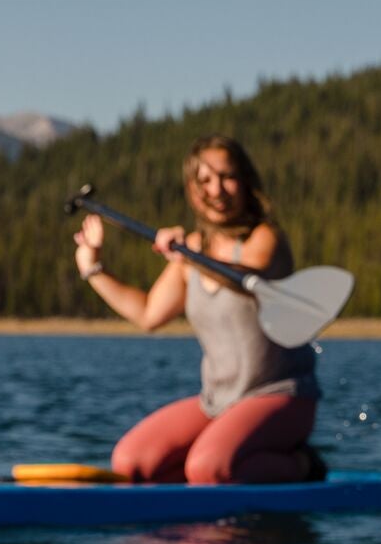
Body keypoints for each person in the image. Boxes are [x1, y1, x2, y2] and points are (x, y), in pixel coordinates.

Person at [73, 135, 324, 485]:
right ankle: (211, 468)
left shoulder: (265, 237)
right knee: (131, 463)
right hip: (218, 402)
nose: (217, 190)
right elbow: (148, 314)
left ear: (245, 182)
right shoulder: (190, 250)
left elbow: (245, 277)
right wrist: (93, 270)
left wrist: (189, 256)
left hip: (281, 396)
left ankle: (302, 465)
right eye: (204, 181)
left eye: (227, 177)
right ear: (192, 191)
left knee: (209, 467)